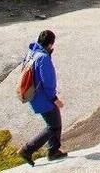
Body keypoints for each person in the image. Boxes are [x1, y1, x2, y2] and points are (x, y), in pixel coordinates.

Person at [20, 30, 67, 165]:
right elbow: (47, 81)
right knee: (53, 126)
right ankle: (27, 150)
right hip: (43, 98)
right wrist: (54, 99)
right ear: (50, 44)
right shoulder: (43, 58)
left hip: (34, 96)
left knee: (54, 122)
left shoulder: (32, 53)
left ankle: (53, 151)